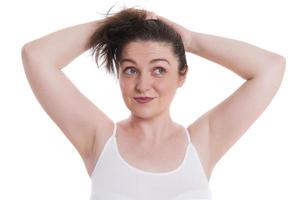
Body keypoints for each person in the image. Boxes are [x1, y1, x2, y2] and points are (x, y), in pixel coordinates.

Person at [21, 7, 286, 200]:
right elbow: (36, 56)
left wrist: (192, 40)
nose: (143, 85)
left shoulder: (203, 141)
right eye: (130, 70)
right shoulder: (98, 138)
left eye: (159, 70)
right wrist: (117, 24)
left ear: (181, 75)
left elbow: (271, 68)